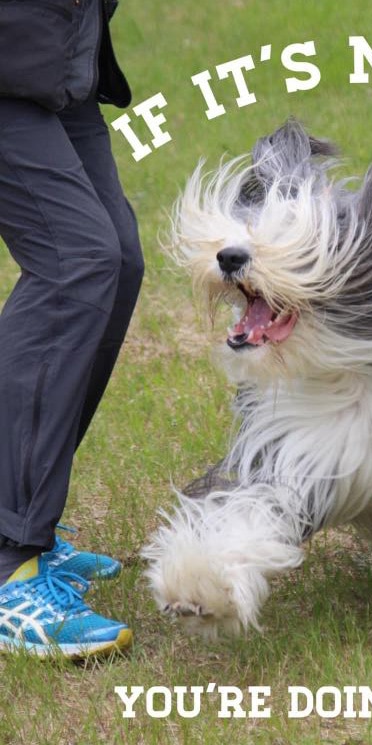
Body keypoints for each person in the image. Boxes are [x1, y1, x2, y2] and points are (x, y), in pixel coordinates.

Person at [0, 0, 143, 657]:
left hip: (54, 50)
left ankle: (29, 517)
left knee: (117, 260)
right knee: (74, 265)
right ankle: (9, 561)